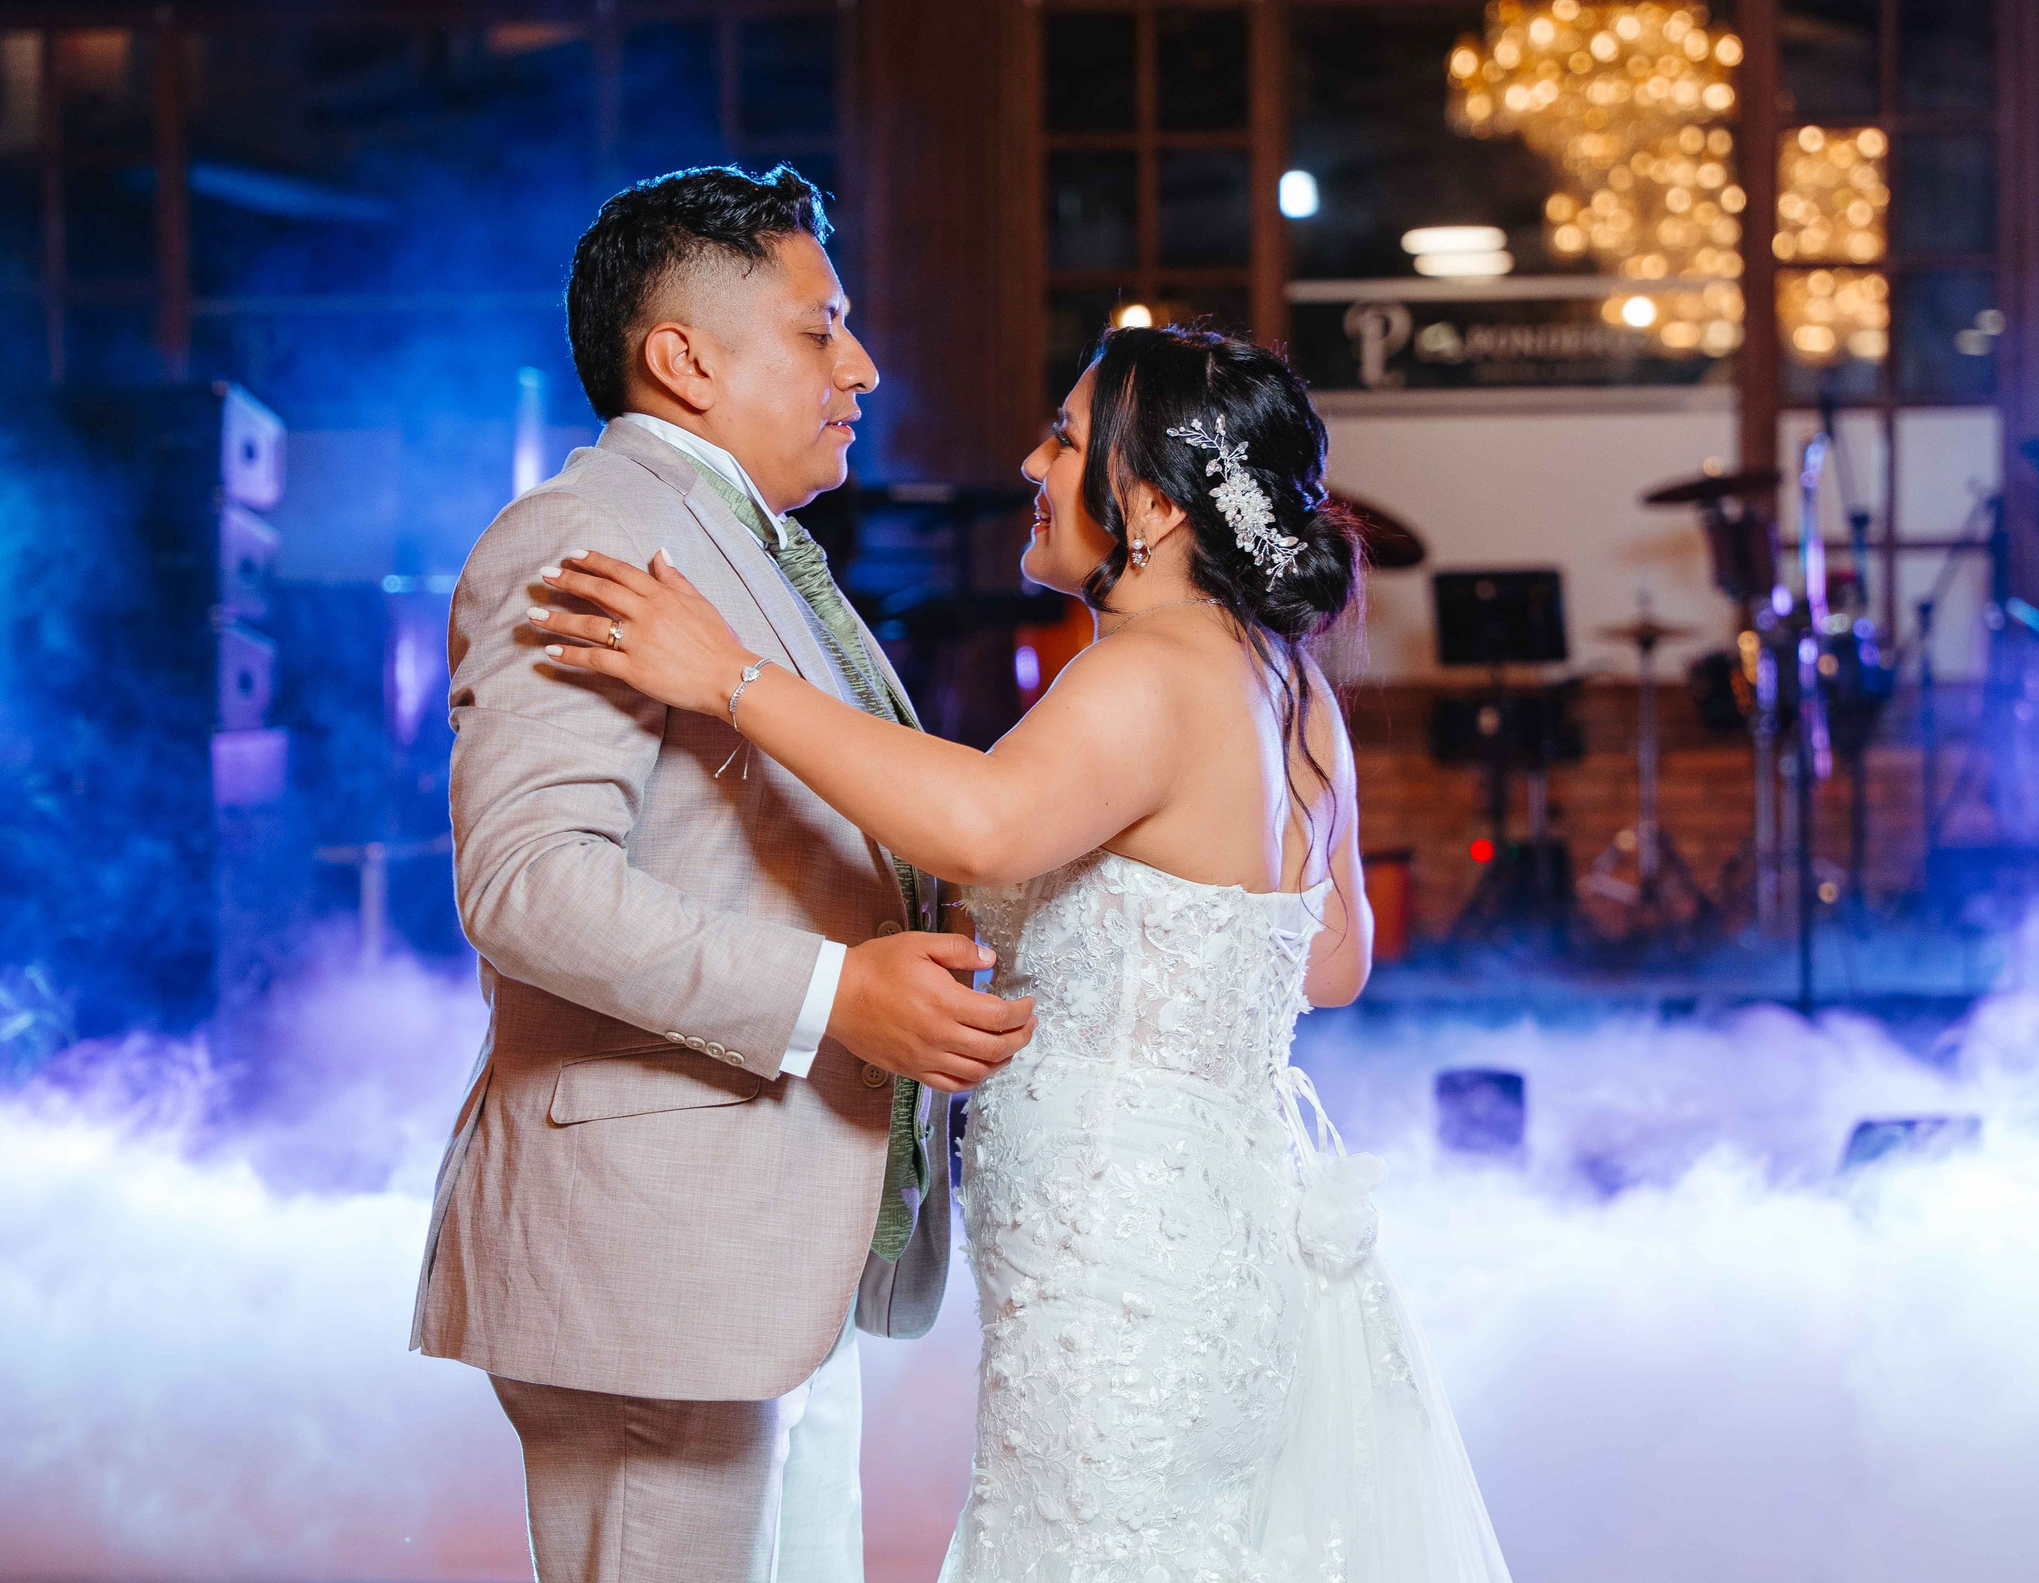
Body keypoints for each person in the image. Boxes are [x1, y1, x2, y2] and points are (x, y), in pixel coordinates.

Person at [537, 322, 1517, 1581]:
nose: (1028, 460)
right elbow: (1327, 960)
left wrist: (725, 678)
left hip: (1118, 1263)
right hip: (1228, 1224)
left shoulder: (1145, 675)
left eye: (1062, 438)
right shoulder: (1284, 686)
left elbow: (986, 828)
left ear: (1152, 503)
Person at [410, 163, 1037, 1583]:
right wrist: (835, 994)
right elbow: (524, 884)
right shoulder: (581, 540)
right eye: (822, 329)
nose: (861, 367)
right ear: (683, 356)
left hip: (761, 1235)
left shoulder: (730, 543)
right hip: (651, 1244)